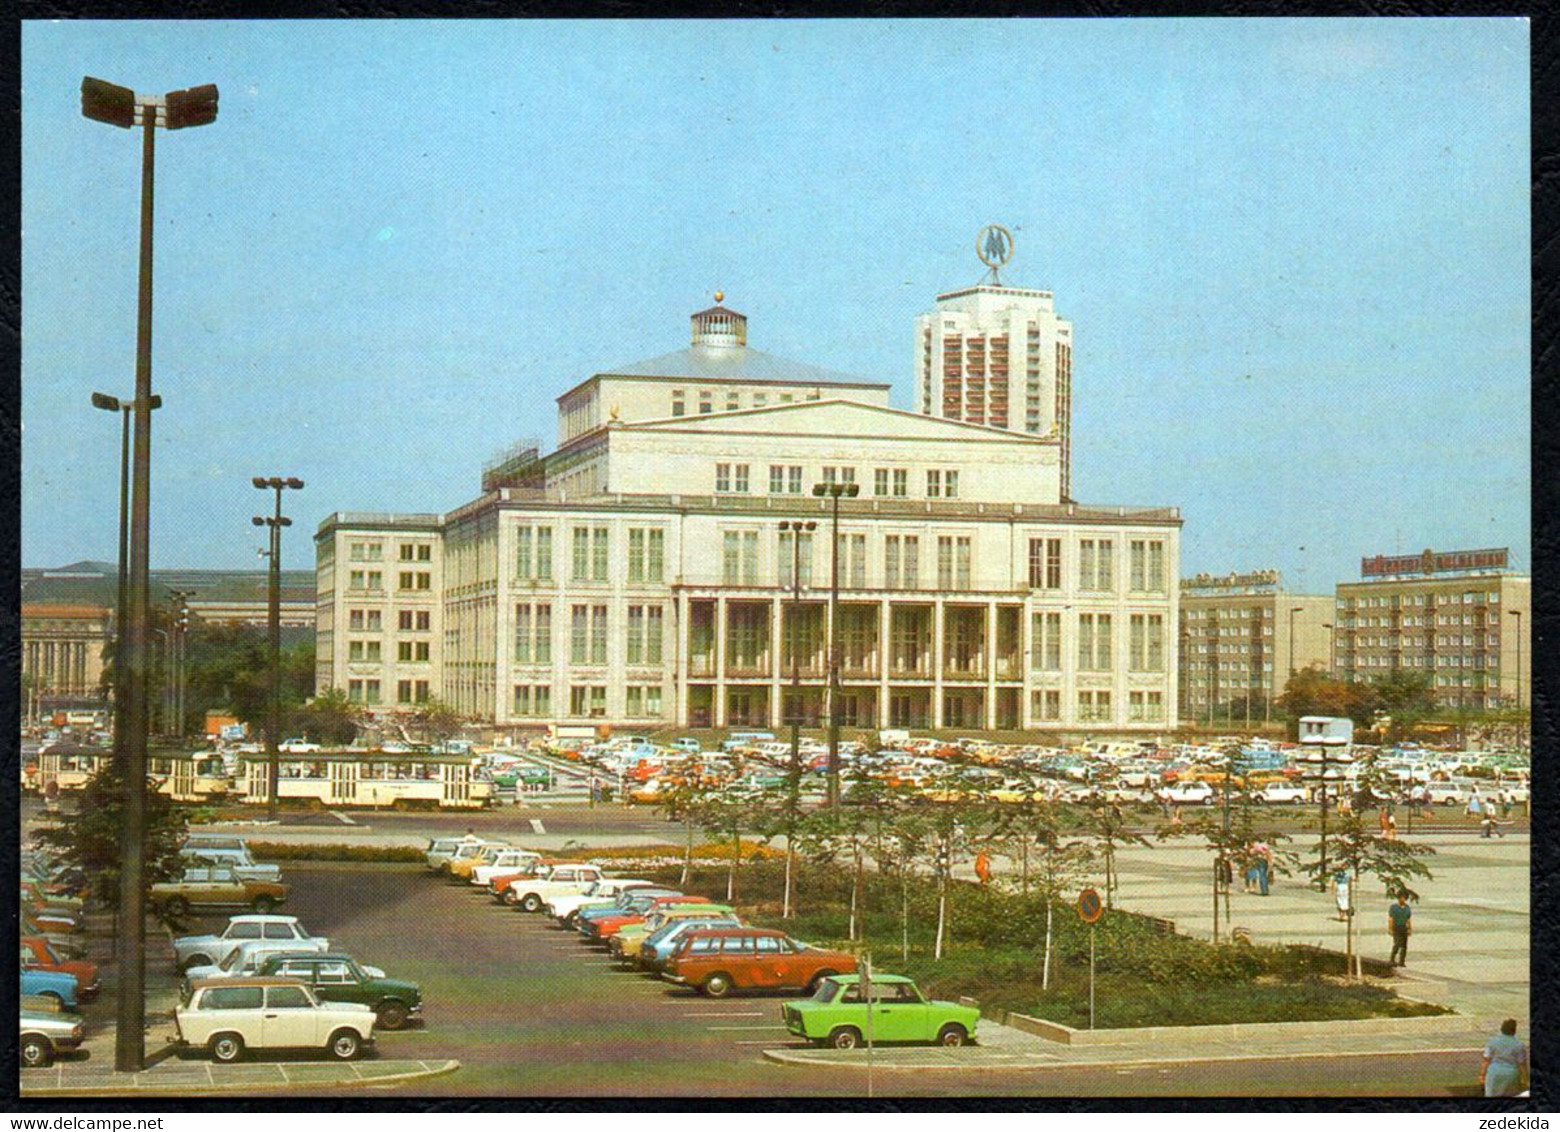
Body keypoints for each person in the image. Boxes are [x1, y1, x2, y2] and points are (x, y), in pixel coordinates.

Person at [1481, 1019, 1528, 1097]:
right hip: (1512, 1074)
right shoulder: (1519, 1044)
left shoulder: (1492, 1041)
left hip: (1494, 1073)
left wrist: (1482, 1075)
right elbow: (1522, 1064)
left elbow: (1486, 1059)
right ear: (1514, 1030)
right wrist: (1526, 1079)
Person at [1387, 891, 1412, 967]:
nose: (1403, 899)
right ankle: (1392, 959)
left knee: (1404, 946)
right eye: (1401, 898)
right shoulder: (1393, 907)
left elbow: (1408, 919)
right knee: (1397, 944)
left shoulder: (1407, 908)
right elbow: (1391, 918)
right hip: (1396, 927)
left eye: (1404, 898)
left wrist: (1410, 928)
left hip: (1404, 927)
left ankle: (1402, 961)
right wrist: (1390, 928)